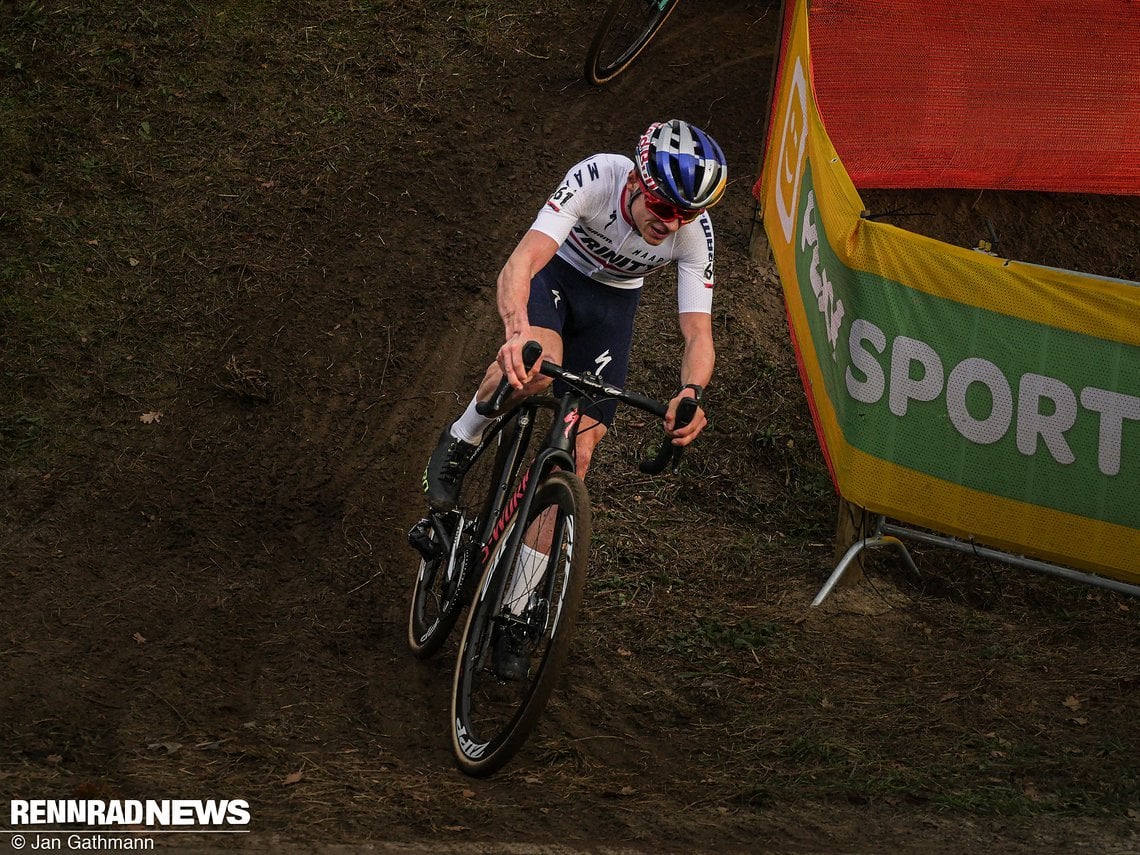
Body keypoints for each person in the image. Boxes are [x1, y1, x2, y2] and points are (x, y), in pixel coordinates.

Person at [422, 118, 728, 515]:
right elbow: (523, 261)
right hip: (557, 274)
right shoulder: (598, 177)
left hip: (613, 302)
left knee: (580, 451)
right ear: (635, 180)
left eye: (684, 215)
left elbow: (698, 334)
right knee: (536, 365)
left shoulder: (693, 232)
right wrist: (517, 334)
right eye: (663, 207)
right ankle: (463, 436)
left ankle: (526, 575)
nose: (671, 223)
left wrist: (692, 391)